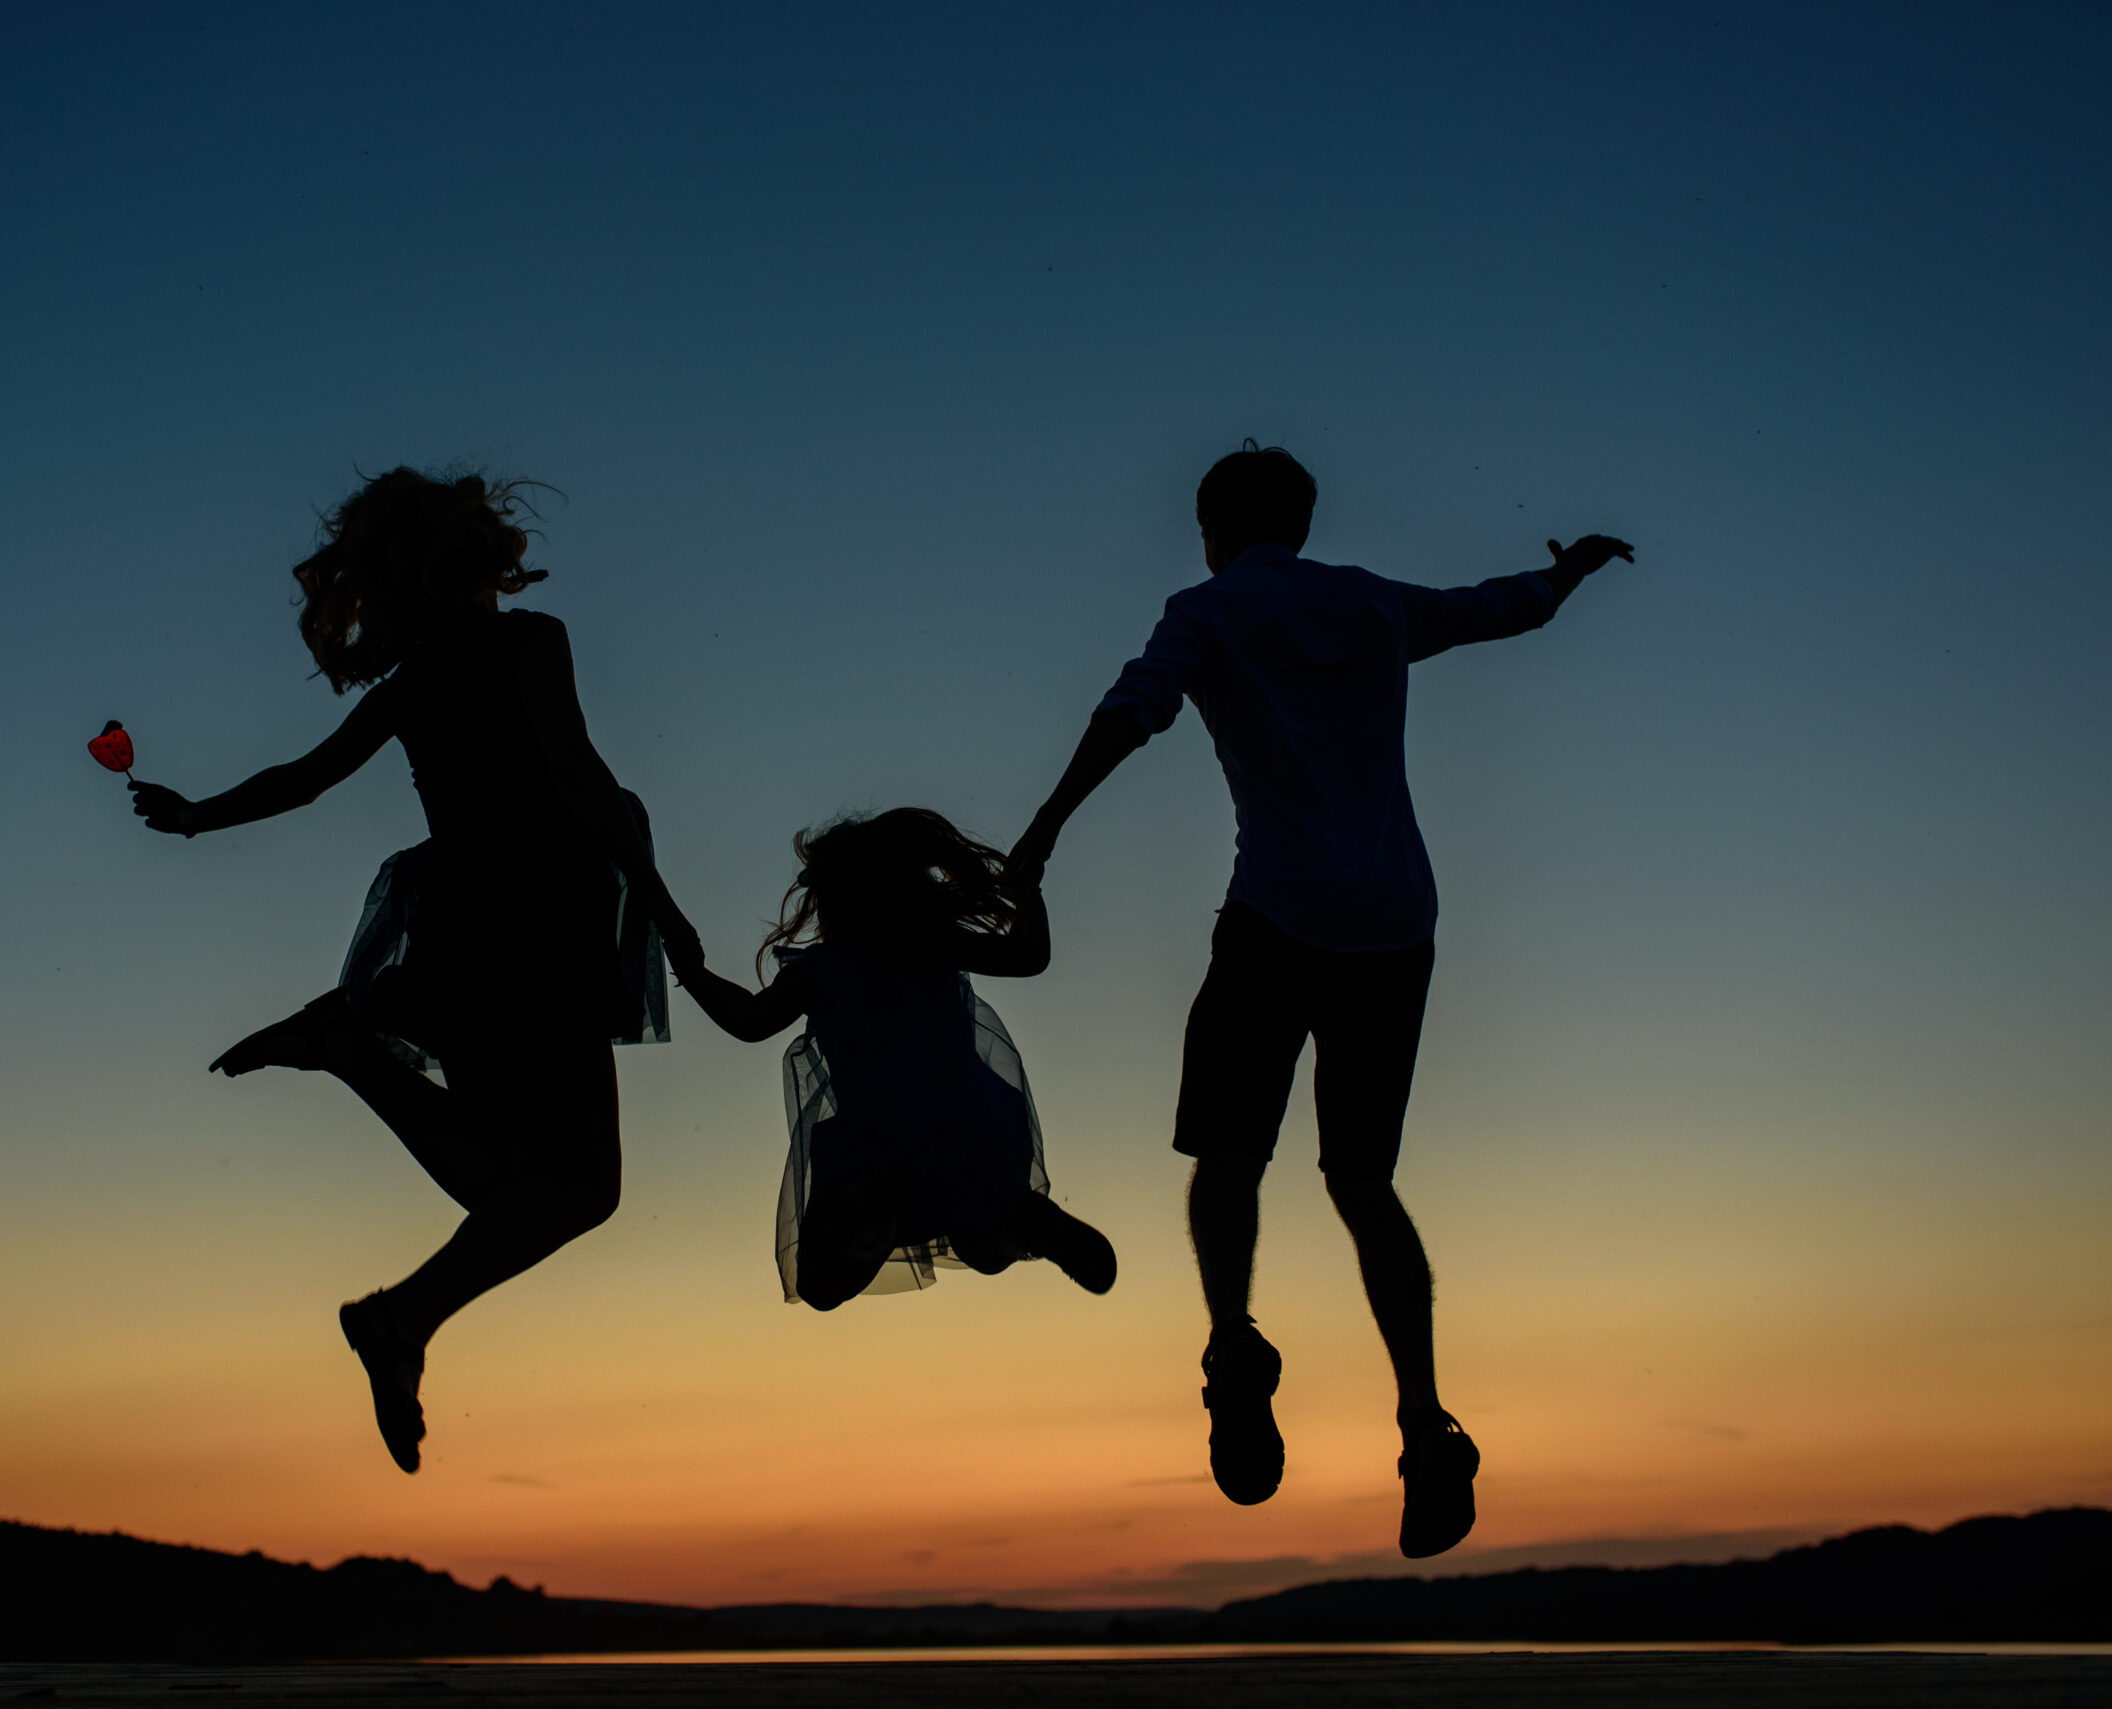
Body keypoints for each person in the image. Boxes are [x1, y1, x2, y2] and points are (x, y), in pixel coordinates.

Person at [1007, 442, 1634, 1558]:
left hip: (1277, 914)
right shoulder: (1371, 603)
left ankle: (1233, 1345)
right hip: (1395, 922)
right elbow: (1497, 608)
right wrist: (1567, 572)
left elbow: (1133, 709)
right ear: (1300, 521)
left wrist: (1044, 829)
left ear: (1211, 529)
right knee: (1362, 1180)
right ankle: (1424, 1420)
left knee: (1227, 1155)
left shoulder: (1206, 609)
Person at [123, 466, 699, 1476]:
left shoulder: (411, 686)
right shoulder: (529, 643)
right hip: (542, 921)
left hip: (460, 929)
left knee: (514, 1184)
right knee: (575, 1188)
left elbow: (304, 781)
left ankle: (393, 1275)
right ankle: (396, 1298)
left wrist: (195, 816)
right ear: (471, 558)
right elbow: (576, 772)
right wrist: (657, 901)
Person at [668, 809, 1117, 1310]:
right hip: (966, 1127)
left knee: (818, 1285)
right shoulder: (932, 943)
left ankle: (875, 1218)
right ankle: (1027, 1220)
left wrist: (692, 969)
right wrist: (1029, 887)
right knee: (988, 1246)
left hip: (875, 1145)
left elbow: (750, 1021)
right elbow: (1030, 956)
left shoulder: (821, 970)